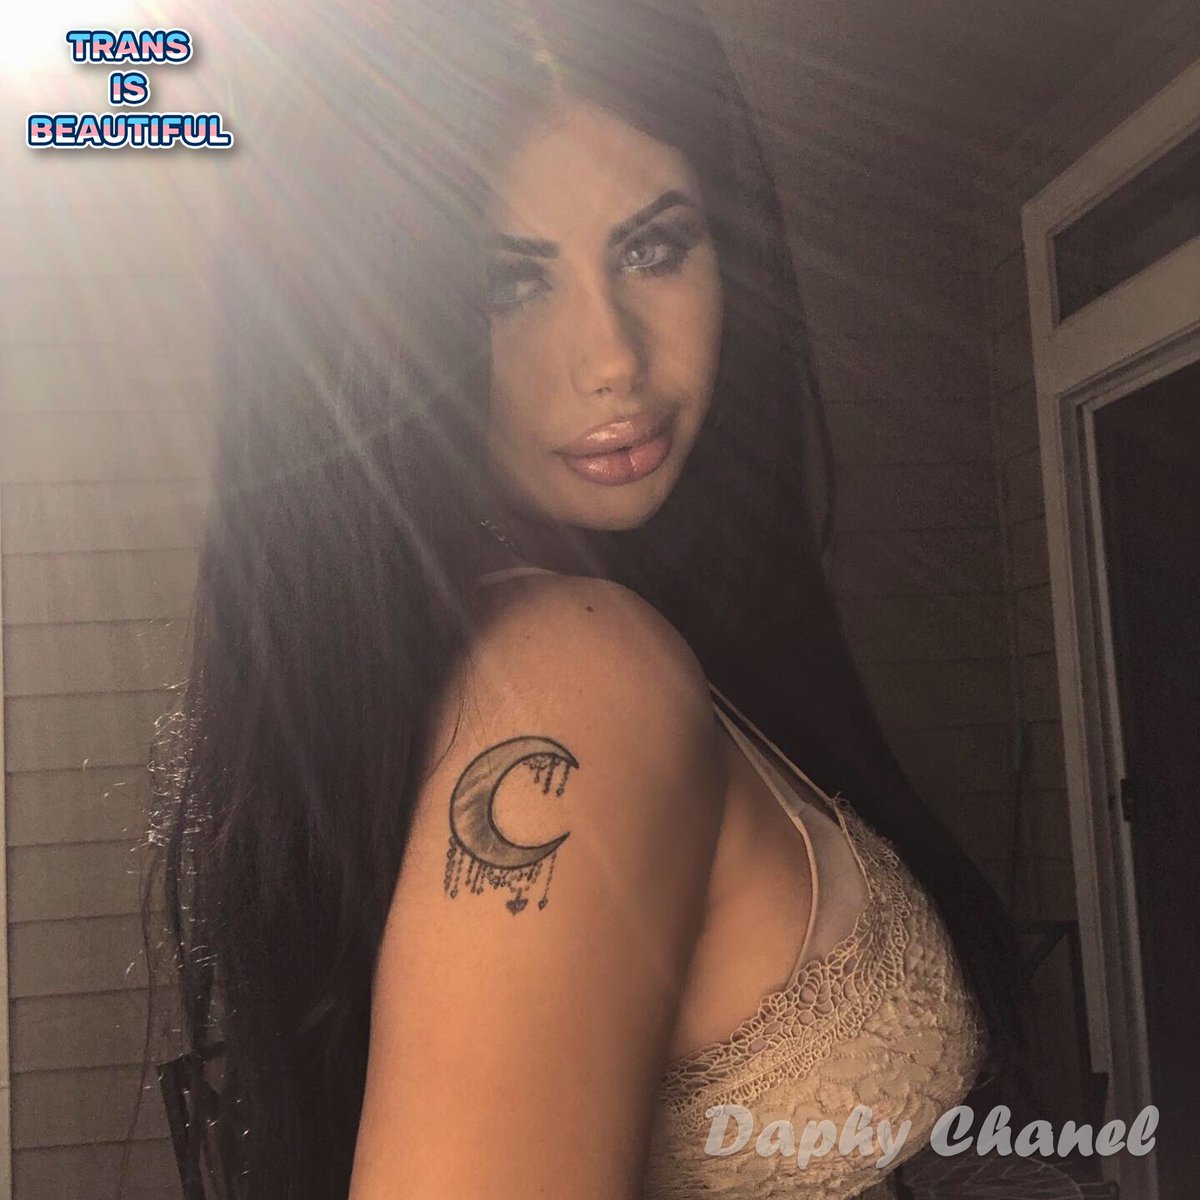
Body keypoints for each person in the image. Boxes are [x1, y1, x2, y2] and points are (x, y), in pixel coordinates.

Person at [139, 1, 1029, 1197]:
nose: (612, 357)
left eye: (655, 249)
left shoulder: (570, 634)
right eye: (507, 283)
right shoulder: (575, 675)